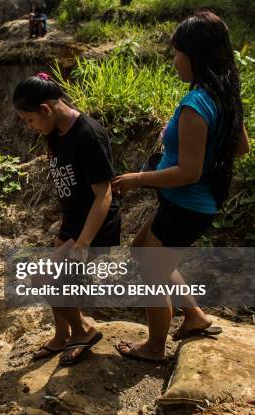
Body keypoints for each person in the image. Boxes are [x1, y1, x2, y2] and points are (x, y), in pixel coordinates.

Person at [112, 11, 249, 362]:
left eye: (177, 53)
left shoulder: (196, 103)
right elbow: (241, 146)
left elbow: (188, 171)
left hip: (185, 205)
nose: (174, 61)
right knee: (141, 251)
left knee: (150, 272)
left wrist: (138, 179)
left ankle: (155, 347)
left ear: (196, 55)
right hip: (190, 204)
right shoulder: (223, 95)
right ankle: (196, 316)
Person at [13, 72, 121, 365]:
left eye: (30, 120)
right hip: (73, 222)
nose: (30, 127)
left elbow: (104, 194)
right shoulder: (55, 133)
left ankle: (83, 330)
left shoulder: (87, 134)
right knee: (54, 280)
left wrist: (83, 242)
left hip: (94, 226)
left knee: (42, 277)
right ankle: (62, 335)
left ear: (46, 109)